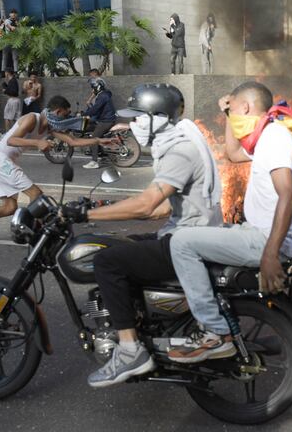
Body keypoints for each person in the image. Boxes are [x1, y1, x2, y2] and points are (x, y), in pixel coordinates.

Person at [78, 83, 223, 387]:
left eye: (138, 118)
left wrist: (86, 215)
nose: (133, 125)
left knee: (106, 261)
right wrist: (107, 207)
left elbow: (146, 206)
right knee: (124, 246)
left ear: (160, 117)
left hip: (189, 242)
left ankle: (131, 350)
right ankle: (148, 324)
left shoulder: (180, 150)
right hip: (189, 232)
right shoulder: (175, 141)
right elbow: (164, 209)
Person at [167, 82, 292, 363]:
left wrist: (269, 254)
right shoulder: (266, 135)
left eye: (234, 109)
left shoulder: (275, 138)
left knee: (181, 243)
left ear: (245, 107)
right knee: (191, 231)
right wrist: (229, 118)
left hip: (262, 240)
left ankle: (216, 333)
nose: (232, 113)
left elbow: (287, 195)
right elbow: (232, 155)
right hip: (254, 233)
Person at [0, 95, 113, 247]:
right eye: (65, 114)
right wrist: (37, 143)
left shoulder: (50, 127)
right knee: (36, 195)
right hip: (1, 160)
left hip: (3, 162)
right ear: (57, 112)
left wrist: (99, 140)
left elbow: (73, 141)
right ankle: (30, 232)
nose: (66, 118)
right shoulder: (32, 118)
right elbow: (10, 140)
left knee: (9, 208)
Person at [81, 76, 116, 169]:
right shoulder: (103, 95)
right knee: (92, 129)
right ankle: (104, 157)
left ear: (98, 87)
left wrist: (85, 114)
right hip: (104, 119)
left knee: (93, 138)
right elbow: (96, 109)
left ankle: (94, 162)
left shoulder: (102, 96)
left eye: (93, 87)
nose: (92, 90)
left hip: (106, 121)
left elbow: (96, 108)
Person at [2, 8, 20, 72]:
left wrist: (18, 25)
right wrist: (12, 27)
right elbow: (8, 26)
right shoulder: (7, 20)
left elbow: (20, 30)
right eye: (12, 13)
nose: (14, 14)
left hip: (15, 41)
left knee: (15, 57)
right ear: (10, 14)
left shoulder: (17, 22)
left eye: (15, 13)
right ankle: (3, 71)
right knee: (5, 57)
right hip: (7, 40)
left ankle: (16, 71)